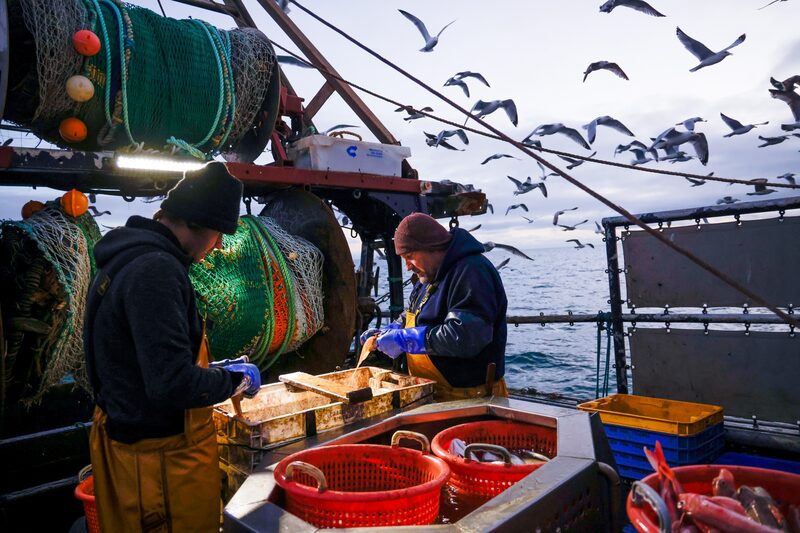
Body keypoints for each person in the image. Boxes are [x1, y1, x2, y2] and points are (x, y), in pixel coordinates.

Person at [83, 161, 261, 532]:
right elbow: (171, 384)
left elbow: (143, 357)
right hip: (157, 471)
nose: (218, 247)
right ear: (197, 224)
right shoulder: (157, 271)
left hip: (134, 453)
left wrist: (213, 370)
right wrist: (231, 381)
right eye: (218, 234)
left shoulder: (126, 257)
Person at [366, 212, 508, 400]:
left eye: (409, 256)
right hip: (431, 393)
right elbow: (412, 313)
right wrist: (390, 330)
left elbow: (466, 336)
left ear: (431, 247)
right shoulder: (427, 276)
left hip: (472, 398)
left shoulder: (472, 271)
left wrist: (405, 339)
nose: (408, 266)